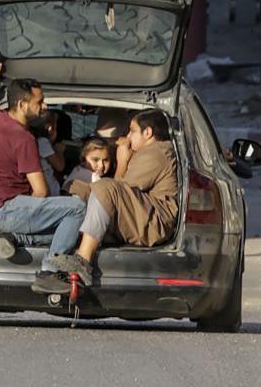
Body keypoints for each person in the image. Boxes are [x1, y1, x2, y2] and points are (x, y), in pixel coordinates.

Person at [0, 57, 86, 269]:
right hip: (7, 211)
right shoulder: (25, 139)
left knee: (70, 234)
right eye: (40, 102)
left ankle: (10, 238)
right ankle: (50, 271)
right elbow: (41, 192)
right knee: (77, 209)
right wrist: (43, 211)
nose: (45, 107)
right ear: (22, 104)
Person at [34, 109, 182, 292]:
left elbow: (121, 190)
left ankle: (83, 260)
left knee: (105, 187)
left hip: (153, 223)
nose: (128, 136)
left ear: (148, 132)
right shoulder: (148, 152)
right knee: (77, 187)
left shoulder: (156, 153)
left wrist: (121, 162)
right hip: (141, 215)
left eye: (132, 131)